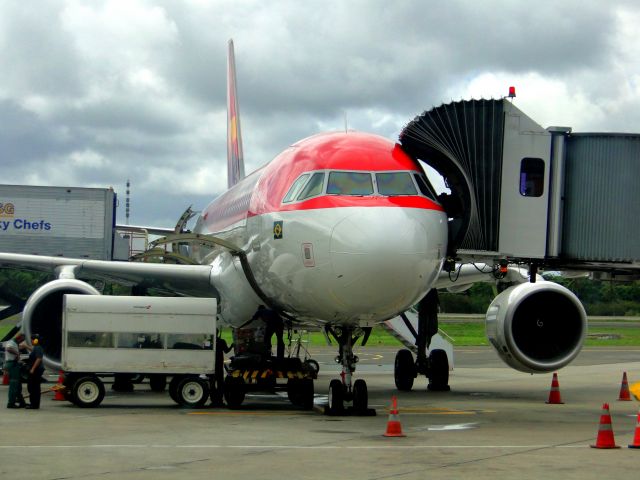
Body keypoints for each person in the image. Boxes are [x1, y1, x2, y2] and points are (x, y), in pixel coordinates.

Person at [4, 333, 26, 408]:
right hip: (12, 364)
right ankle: (11, 403)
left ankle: (21, 401)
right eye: (22, 340)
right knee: (14, 384)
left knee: (18, 385)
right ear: (19, 338)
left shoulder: (15, 343)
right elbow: (8, 349)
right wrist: (17, 353)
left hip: (14, 364)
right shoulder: (11, 342)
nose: (22, 341)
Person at [212, 329, 233, 407]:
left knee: (212, 384)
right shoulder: (221, 341)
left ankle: (213, 401)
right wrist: (231, 346)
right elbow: (226, 351)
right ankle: (220, 401)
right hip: (219, 365)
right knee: (220, 384)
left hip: (212, 365)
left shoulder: (209, 341)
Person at [25, 334, 45, 409]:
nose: (31, 341)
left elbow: (39, 358)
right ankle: (34, 404)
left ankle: (34, 404)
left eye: (32, 340)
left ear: (35, 340)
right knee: (33, 387)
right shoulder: (37, 348)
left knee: (33, 387)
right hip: (36, 370)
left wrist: (33, 369)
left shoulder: (38, 348)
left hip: (36, 370)